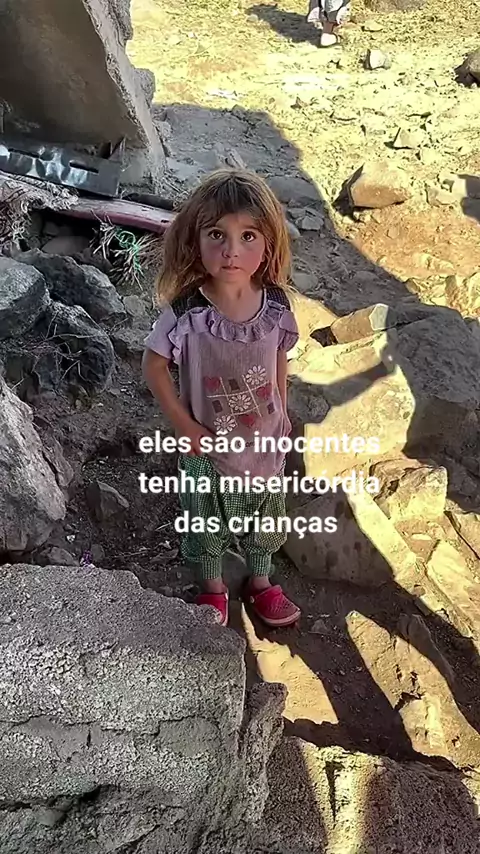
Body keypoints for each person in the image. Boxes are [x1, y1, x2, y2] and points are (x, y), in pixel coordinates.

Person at [142, 169, 301, 629]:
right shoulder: (186, 312)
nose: (232, 250)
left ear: (268, 243)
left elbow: (279, 357)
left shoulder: (275, 305)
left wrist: (282, 413)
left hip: (265, 443)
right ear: (195, 239)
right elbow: (153, 366)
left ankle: (260, 581)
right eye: (217, 234)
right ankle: (213, 588)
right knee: (205, 523)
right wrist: (184, 426)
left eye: (248, 236)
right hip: (206, 450)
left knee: (266, 519)